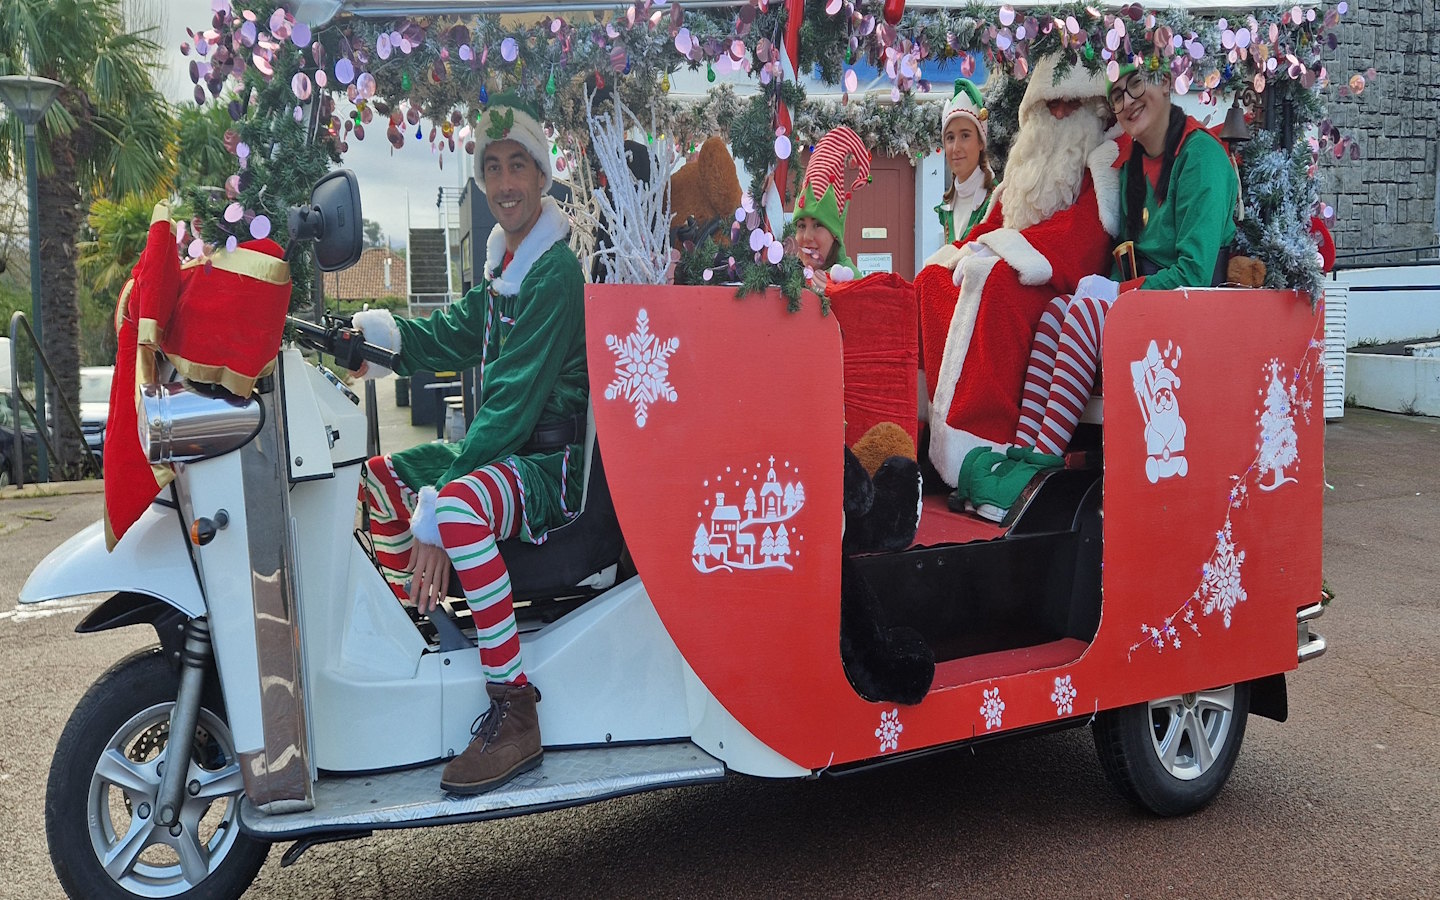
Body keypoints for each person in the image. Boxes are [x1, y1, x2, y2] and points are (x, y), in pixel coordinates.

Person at [350, 93, 587, 795]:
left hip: (547, 468)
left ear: (540, 176)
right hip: (508, 455)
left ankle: (514, 709)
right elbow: (444, 334)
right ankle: (432, 635)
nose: (505, 183)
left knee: (450, 509)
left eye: (518, 165)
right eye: (493, 168)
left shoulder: (553, 273)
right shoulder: (503, 272)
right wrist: (376, 338)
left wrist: (435, 515)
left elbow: (509, 407)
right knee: (378, 479)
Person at [1002, 64, 1239, 492]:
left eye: (1136, 85)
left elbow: (1193, 273)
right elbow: (1127, 255)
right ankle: (1023, 453)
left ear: (1164, 82)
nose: (1127, 102)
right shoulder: (1131, 165)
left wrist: (1115, 293)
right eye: (1117, 95)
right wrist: (1107, 287)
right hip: (1147, 308)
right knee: (1057, 310)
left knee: (1083, 316)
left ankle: (1042, 466)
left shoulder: (1200, 157)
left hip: (1192, 316)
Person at [918, 54, 1122, 507]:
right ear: (1034, 109)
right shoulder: (1024, 164)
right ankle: (934, 433)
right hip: (1018, 260)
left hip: (1056, 277)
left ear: (1093, 106)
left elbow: (1085, 235)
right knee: (933, 281)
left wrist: (1004, 251)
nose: (1061, 112)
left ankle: (984, 440)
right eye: (1051, 104)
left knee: (995, 283)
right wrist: (961, 252)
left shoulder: (1101, 160)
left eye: (1071, 102)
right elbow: (993, 222)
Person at [791, 125, 869, 293]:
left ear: (835, 235)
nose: (807, 237)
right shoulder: (789, 283)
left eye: (818, 225)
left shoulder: (852, 286)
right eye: (801, 225)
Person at [934, 78, 996, 247]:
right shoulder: (947, 204)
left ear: (981, 142)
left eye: (965, 135)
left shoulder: (996, 202)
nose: (956, 148)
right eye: (950, 138)